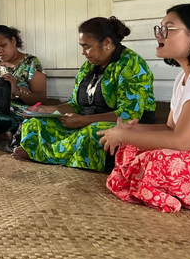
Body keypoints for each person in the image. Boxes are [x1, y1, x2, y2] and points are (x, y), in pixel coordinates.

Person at [101, 4, 190, 212]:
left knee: (157, 161)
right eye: (159, 28)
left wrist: (124, 135)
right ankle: (155, 188)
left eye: (168, 28)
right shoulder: (184, 75)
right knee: (131, 150)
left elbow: (182, 141)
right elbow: (171, 128)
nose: (159, 35)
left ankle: (162, 190)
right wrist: (129, 131)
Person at [14, 16, 156, 172]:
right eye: (82, 47)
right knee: (34, 124)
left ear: (107, 43)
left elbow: (129, 115)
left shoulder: (131, 64)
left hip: (123, 125)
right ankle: (48, 154)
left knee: (92, 132)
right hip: (84, 121)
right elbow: (75, 105)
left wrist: (84, 121)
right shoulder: (87, 67)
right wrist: (45, 110)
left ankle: (40, 153)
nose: (83, 52)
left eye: (87, 47)